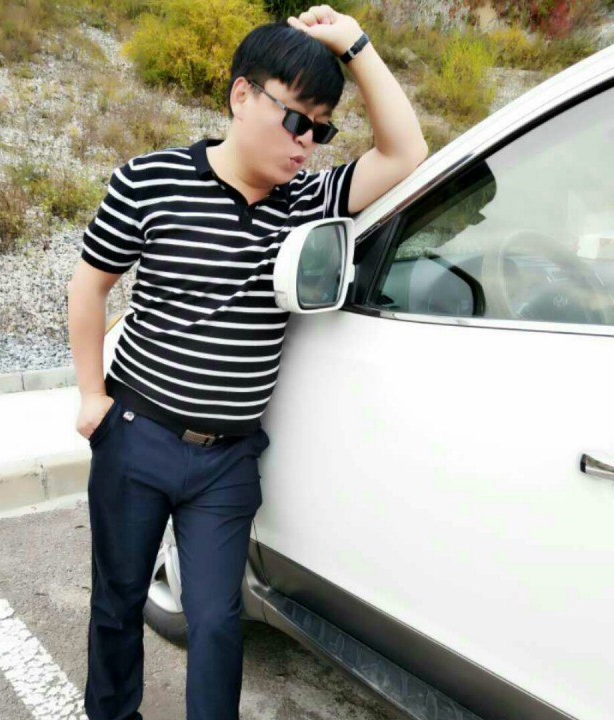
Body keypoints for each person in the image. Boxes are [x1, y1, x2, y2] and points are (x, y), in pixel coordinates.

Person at [67, 6, 427, 719]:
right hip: (136, 433)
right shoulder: (147, 181)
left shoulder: (306, 202)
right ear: (241, 95)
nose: (307, 143)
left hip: (227, 461)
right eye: (296, 119)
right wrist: (90, 398)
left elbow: (405, 151)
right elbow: (89, 285)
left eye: (321, 129)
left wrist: (355, 44)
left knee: (216, 622)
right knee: (116, 604)